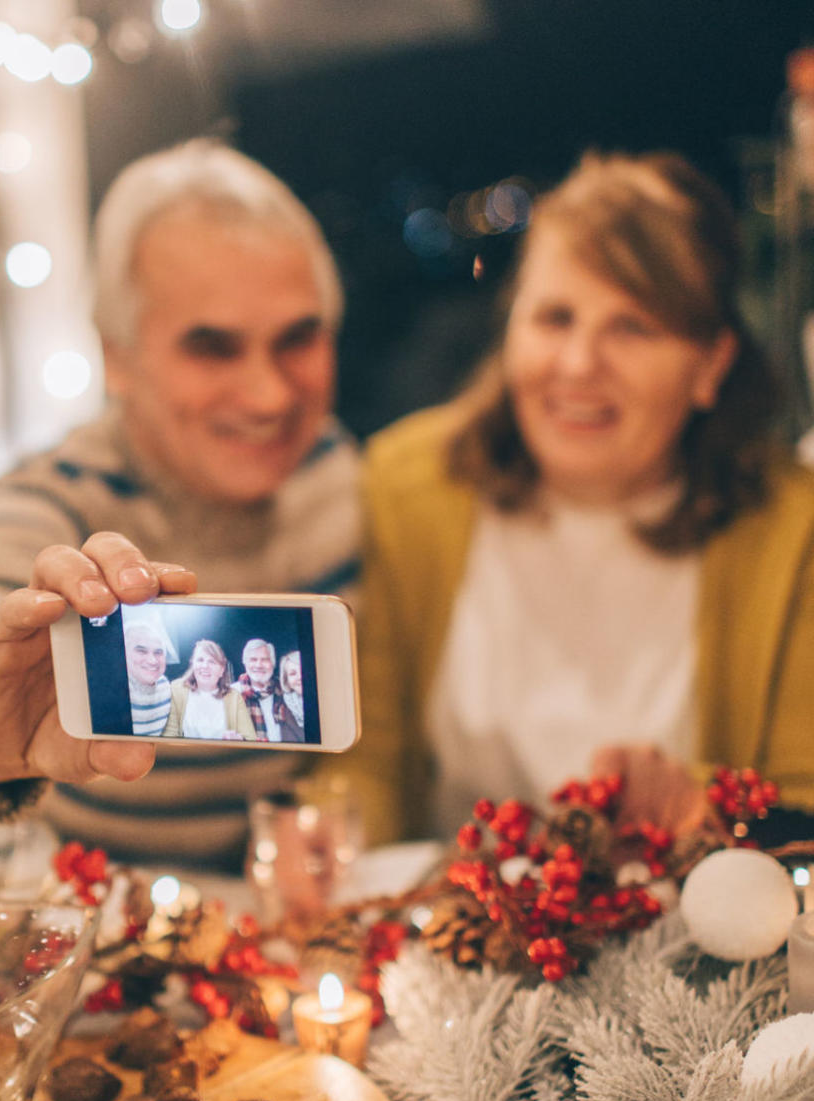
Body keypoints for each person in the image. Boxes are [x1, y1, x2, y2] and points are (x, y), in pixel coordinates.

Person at [0, 139, 360, 868]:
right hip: (94, 940)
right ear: (116, 358)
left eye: (298, 337)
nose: (271, 394)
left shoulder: (332, 466)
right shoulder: (56, 493)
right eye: (212, 347)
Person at [331, 149, 814, 847]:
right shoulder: (406, 486)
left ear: (711, 366)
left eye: (633, 327)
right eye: (555, 318)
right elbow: (365, 758)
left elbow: (802, 800)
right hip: (440, 935)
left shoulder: (793, 529)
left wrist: (695, 802)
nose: (579, 363)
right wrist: (330, 830)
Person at [164, 639, 256, 741]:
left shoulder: (234, 696)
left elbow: (250, 738)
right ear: (193, 664)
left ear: (221, 670)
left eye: (212, 662)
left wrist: (239, 739)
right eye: (200, 660)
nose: (205, 666)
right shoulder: (177, 689)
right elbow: (169, 735)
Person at [232, 639, 298, 742]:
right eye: (253, 659)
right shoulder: (232, 694)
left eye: (265, 659)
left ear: (273, 663)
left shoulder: (286, 689)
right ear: (244, 663)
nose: (259, 665)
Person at [122, 609, 174, 737]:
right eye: (141, 651)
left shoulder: (164, 685)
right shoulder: (114, 690)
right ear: (123, 654)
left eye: (158, 652)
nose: (152, 660)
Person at [278, 650, 305, 742]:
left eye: (303, 670)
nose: (300, 677)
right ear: (287, 682)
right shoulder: (283, 710)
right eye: (293, 674)